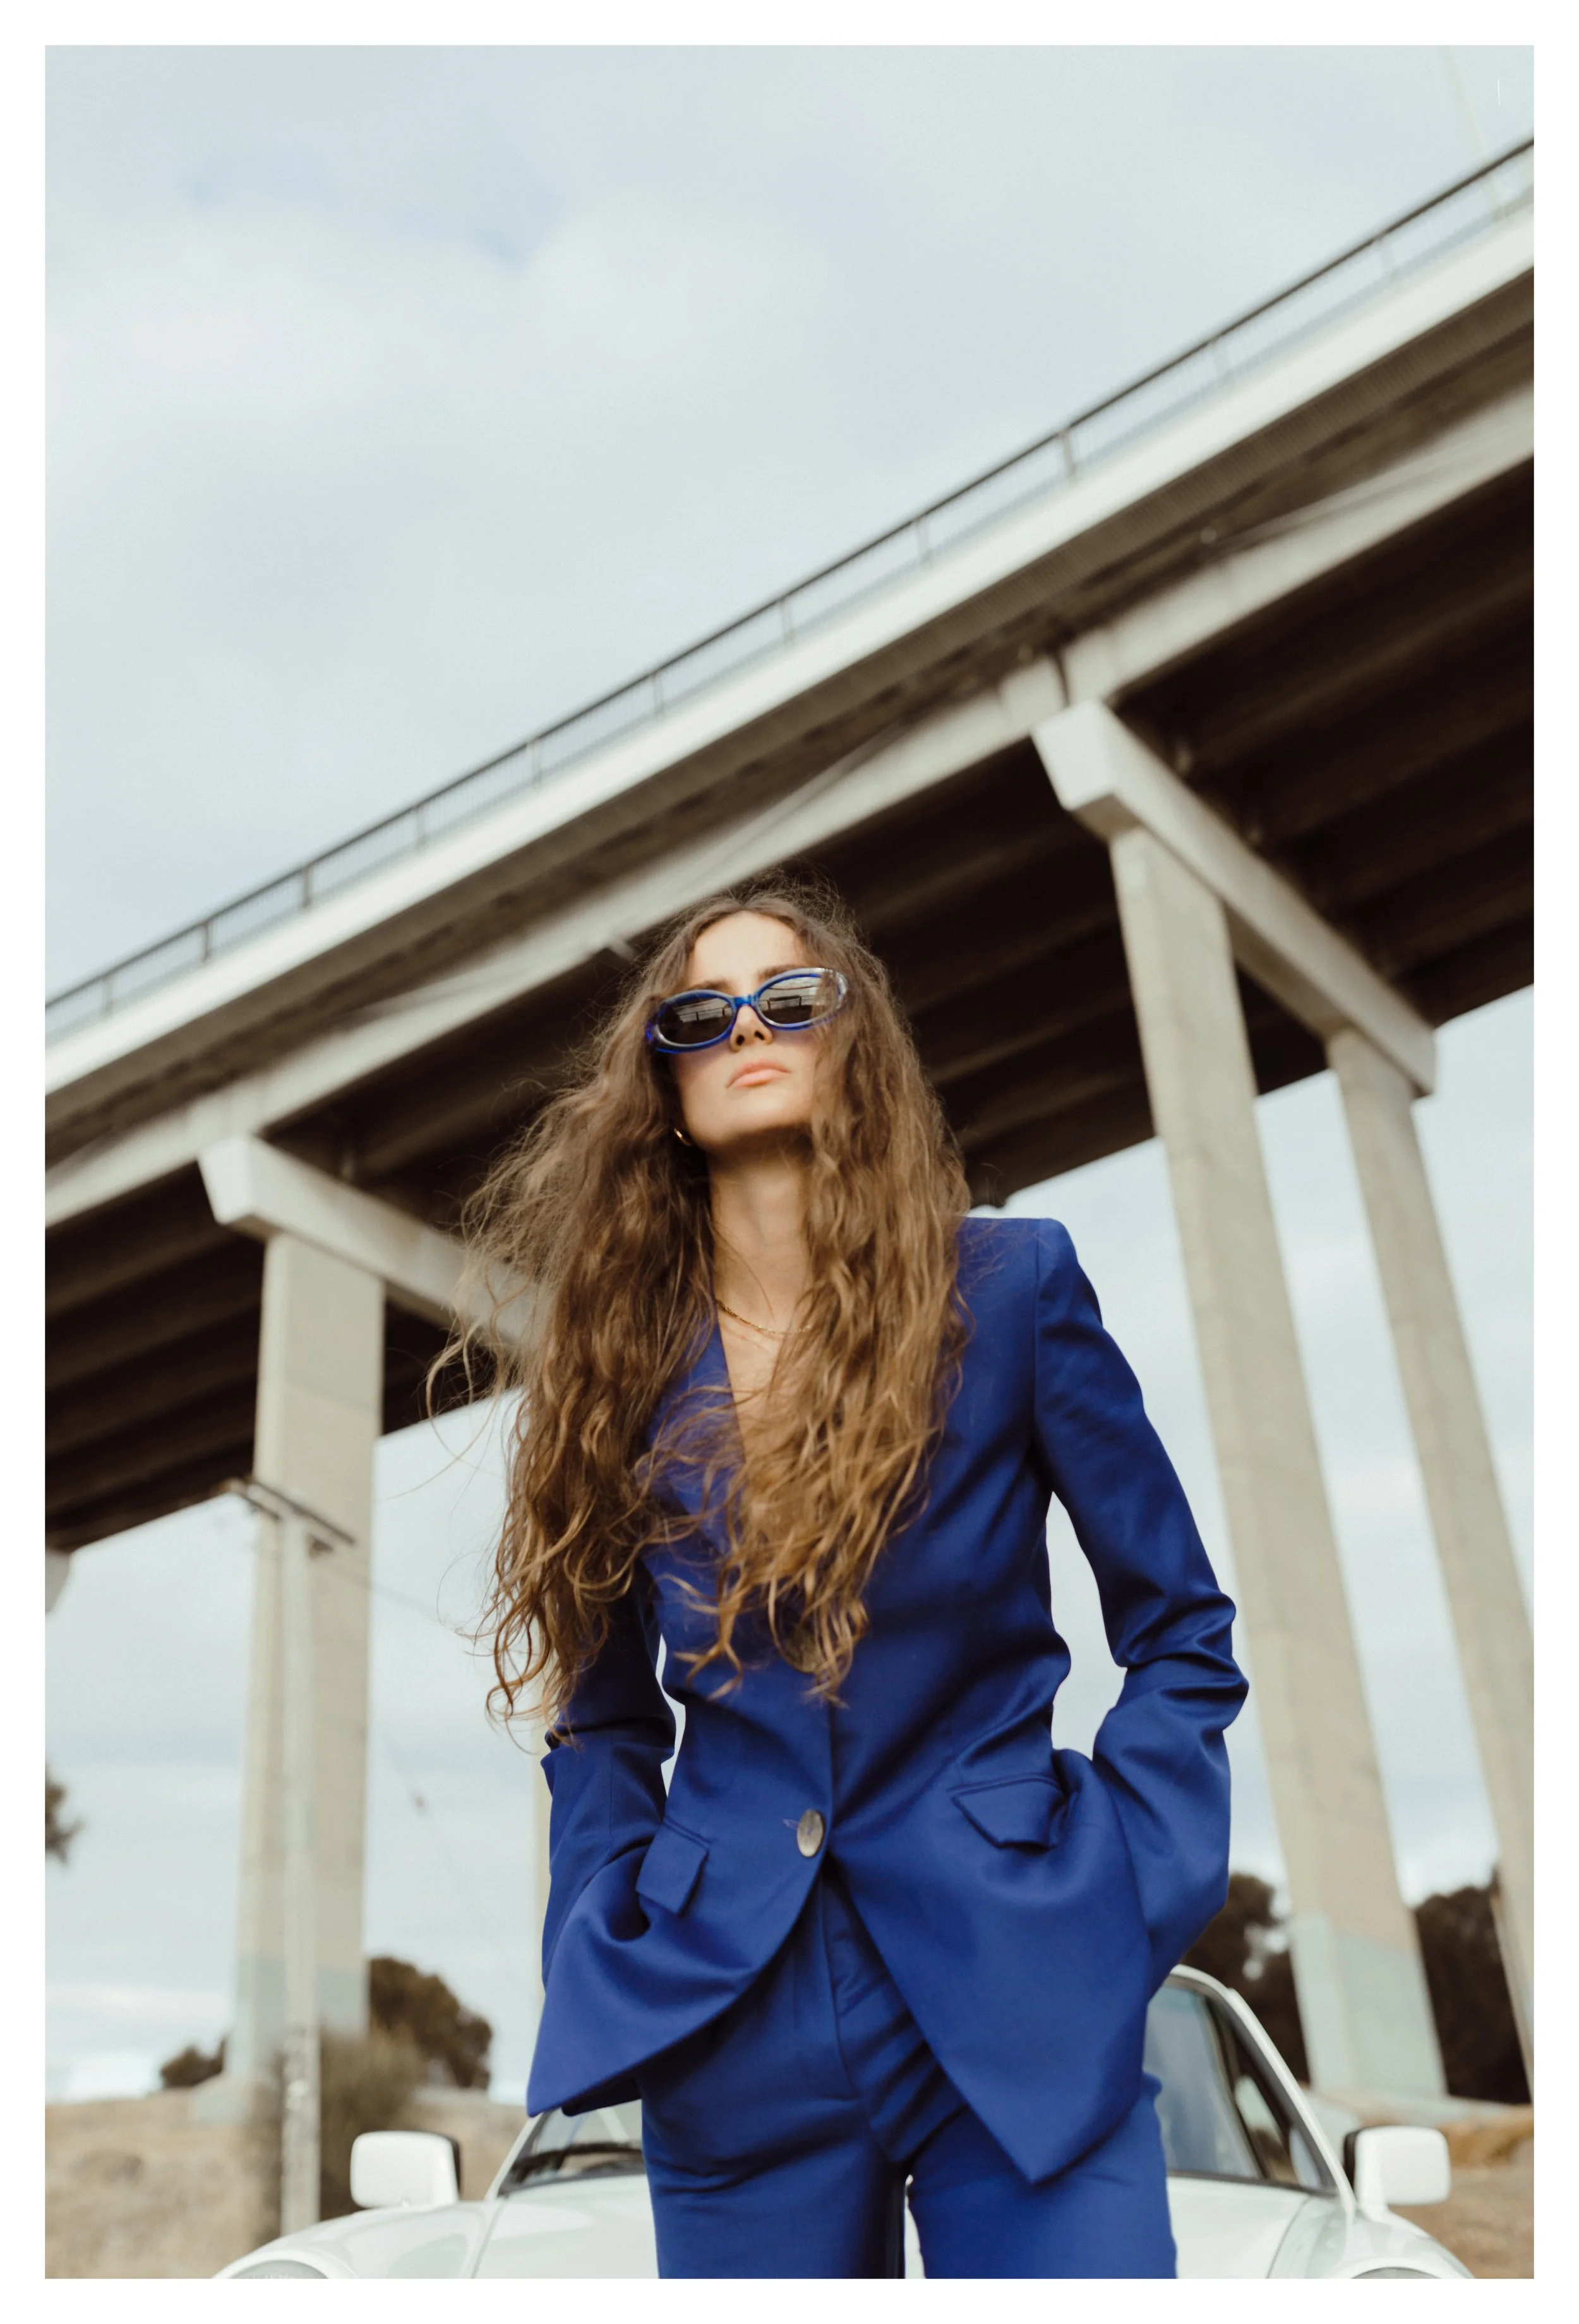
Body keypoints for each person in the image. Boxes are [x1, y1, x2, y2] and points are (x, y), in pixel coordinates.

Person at [462, 879, 1247, 2279]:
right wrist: (611, 1910)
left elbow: (1179, 1629)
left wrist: (1125, 1883)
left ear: (849, 1038)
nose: (745, 1028)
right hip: (734, 2016)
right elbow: (596, 1715)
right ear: (662, 1074)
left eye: (788, 998)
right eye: (700, 1014)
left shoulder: (1009, 1291)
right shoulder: (608, 1382)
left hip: (1019, 1984)